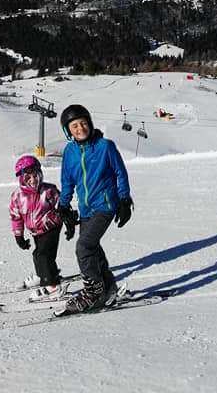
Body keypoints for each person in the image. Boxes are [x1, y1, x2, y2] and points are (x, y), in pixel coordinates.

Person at [57, 104, 132, 313]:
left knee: (84, 247)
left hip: (106, 205)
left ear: (89, 123)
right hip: (86, 209)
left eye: (83, 123)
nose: (80, 128)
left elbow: (120, 173)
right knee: (94, 249)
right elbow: (67, 182)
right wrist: (63, 206)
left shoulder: (105, 146)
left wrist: (124, 200)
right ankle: (108, 287)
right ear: (68, 131)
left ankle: (93, 292)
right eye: (74, 126)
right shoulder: (69, 152)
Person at [9, 155, 76, 300]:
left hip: (51, 227)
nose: (33, 180)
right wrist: (18, 236)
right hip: (35, 232)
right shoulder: (17, 196)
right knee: (39, 255)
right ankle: (44, 275)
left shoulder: (49, 191)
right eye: (28, 178)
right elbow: (16, 217)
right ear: (21, 179)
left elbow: (63, 208)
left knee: (43, 255)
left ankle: (51, 286)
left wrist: (69, 223)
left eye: (35, 176)